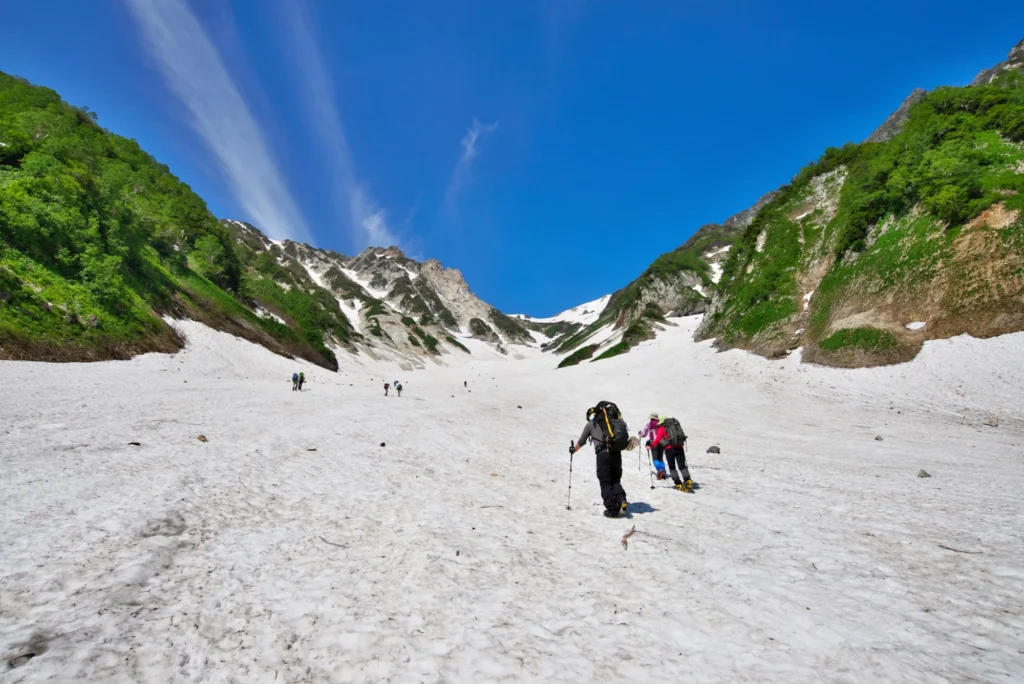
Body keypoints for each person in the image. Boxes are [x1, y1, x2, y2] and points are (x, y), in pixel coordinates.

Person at [570, 405, 629, 518]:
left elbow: (582, 441)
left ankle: (612, 510)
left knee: (605, 482)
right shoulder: (612, 423)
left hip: (603, 455)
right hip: (616, 454)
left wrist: (573, 450)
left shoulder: (591, 424)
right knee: (615, 479)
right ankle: (622, 499)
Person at [651, 416, 693, 492]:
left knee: (672, 467)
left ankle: (678, 483)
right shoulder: (675, 426)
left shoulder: (662, 429)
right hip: (679, 447)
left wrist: (652, 446)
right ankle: (688, 480)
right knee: (682, 465)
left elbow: (657, 439)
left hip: (669, 449)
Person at [639, 412, 666, 479]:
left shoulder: (649, 424)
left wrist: (640, 434)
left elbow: (644, 434)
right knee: (660, 458)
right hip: (662, 443)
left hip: (654, 443)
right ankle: (663, 471)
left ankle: (660, 471)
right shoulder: (661, 424)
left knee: (655, 458)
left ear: (651, 418)